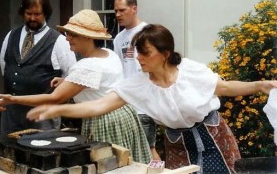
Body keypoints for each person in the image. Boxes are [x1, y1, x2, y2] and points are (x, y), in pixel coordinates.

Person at [27, 24, 277, 174]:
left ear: (165, 54)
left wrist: (260, 84)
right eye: (138, 53)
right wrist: (55, 108)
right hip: (177, 143)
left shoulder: (190, 71)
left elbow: (223, 88)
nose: (139, 59)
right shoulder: (138, 84)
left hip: (214, 137)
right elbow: (98, 105)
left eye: (145, 53)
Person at [0, 9, 152, 163]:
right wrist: (67, 81)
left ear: (88, 38)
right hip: (123, 115)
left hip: (103, 120)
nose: (68, 39)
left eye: (73, 35)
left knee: (107, 164)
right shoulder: (108, 53)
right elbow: (100, 81)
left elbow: (55, 98)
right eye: (67, 34)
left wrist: (14, 99)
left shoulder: (86, 66)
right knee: (127, 164)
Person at [0, 0, 77, 138]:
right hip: (11, 115)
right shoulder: (11, 35)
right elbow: (5, 66)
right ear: (23, 13)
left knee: (42, 154)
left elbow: (72, 76)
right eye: (29, 13)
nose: (33, 18)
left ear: (46, 14)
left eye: (37, 14)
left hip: (43, 116)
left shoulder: (59, 41)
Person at [113, 0, 160, 160]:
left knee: (148, 151)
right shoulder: (118, 39)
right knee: (131, 153)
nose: (118, 15)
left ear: (134, 9)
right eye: (115, 11)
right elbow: (120, 70)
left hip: (144, 104)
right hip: (127, 104)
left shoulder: (147, 33)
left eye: (122, 10)